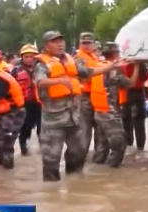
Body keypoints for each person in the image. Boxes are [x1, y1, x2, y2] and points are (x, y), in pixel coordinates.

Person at [34, 30, 122, 181]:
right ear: (46, 46)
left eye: (61, 41)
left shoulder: (69, 60)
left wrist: (110, 67)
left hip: (74, 116)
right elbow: (40, 82)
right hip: (54, 118)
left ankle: (74, 183)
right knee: (51, 157)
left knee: (78, 152)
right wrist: (60, 81)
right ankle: (51, 188)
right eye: (55, 42)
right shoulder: (42, 64)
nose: (60, 44)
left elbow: (89, 71)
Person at [90, 43, 139, 167]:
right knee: (119, 143)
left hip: (98, 111)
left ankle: (97, 170)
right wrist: (137, 67)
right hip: (109, 112)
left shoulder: (98, 65)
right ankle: (111, 170)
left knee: (102, 146)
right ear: (115, 54)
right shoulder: (113, 70)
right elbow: (131, 83)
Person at [74, 32, 101, 159]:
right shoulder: (78, 57)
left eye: (89, 43)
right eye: (84, 43)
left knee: (100, 127)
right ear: (80, 44)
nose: (86, 46)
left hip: (97, 94)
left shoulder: (95, 57)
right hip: (84, 96)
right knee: (84, 128)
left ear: (93, 44)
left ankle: (99, 156)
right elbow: (84, 74)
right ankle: (81, 156)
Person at [12, 44, 41, 155]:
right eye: (26, 57)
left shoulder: (42, 68)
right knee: (25, 125)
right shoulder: (15, 71)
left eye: (32, 56)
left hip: (40, 102)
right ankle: (23, 144)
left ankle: (43, 145)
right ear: (22, 57)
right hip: (25, 103)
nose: (29, 59)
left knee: (42, 126)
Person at [120, 61, 148, 150]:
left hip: (129, 94)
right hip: (138, 94)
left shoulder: (126, 65)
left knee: (128, 122)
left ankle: (129, 146)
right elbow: (145, 77)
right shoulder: (142, 66)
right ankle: (140, 148)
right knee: (139, 123)